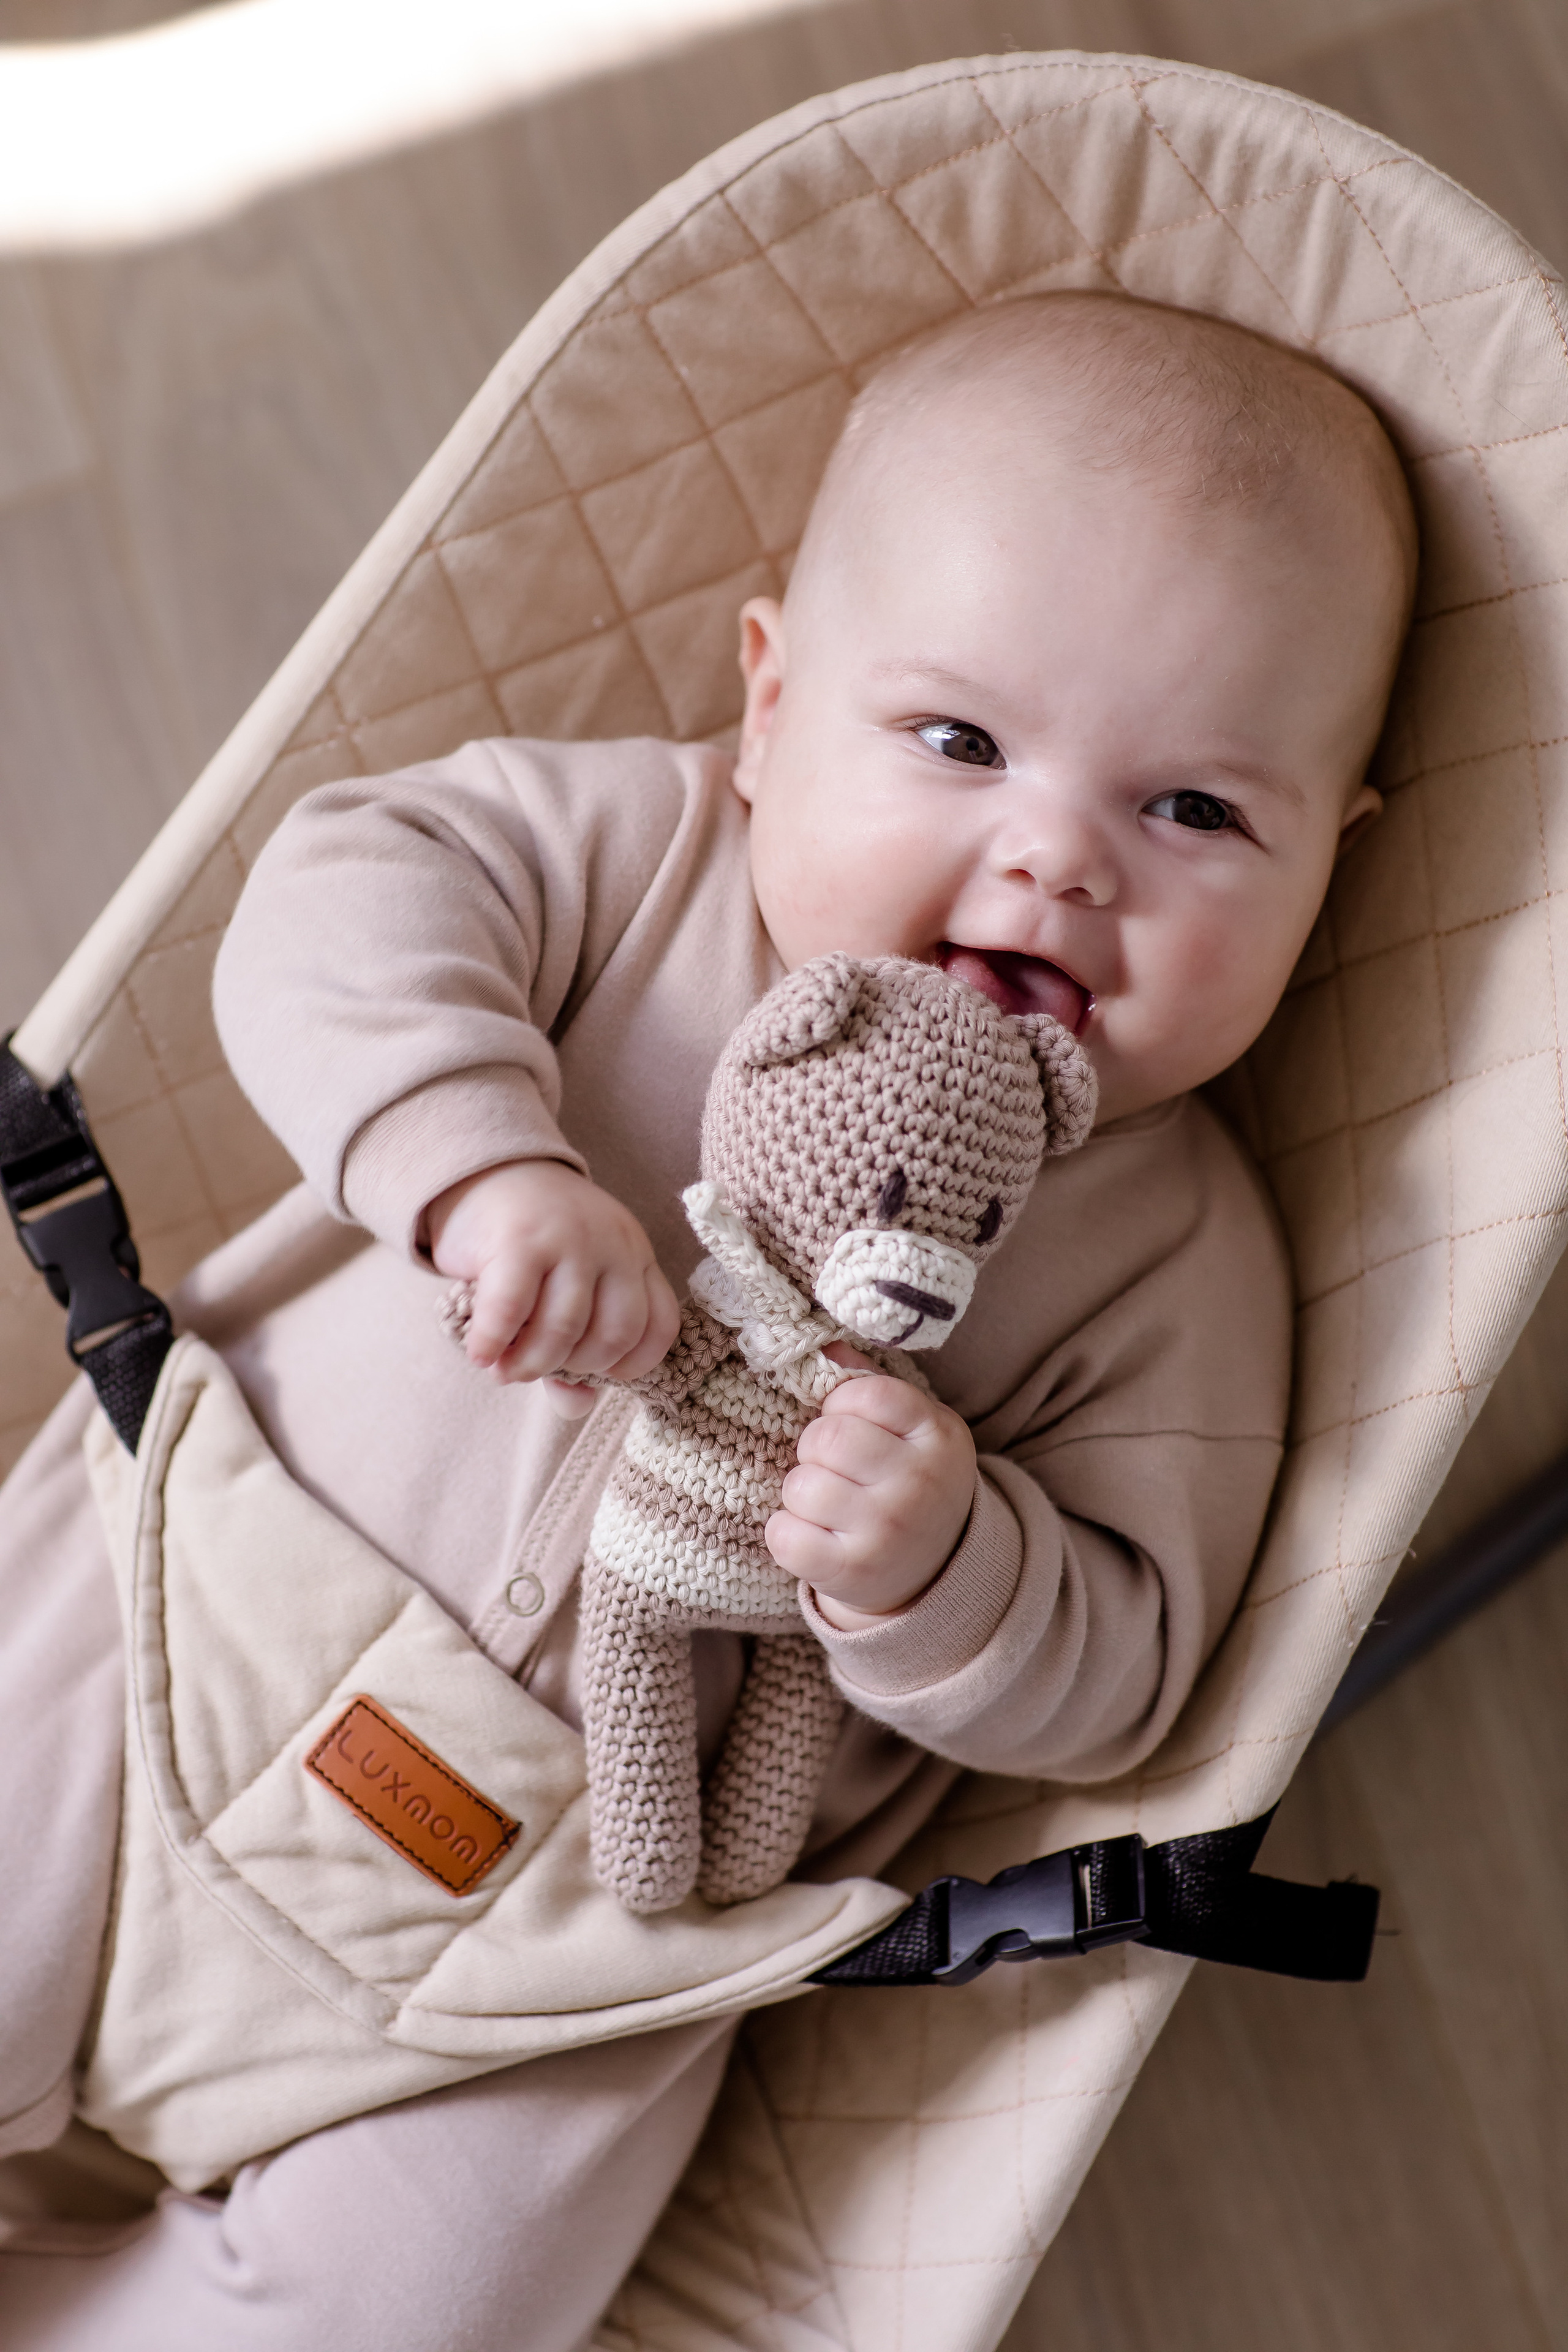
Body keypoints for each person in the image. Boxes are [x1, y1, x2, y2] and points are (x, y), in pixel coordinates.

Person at [0, 290, 1417, 2350]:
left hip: (587, 1929)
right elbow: (329, 907)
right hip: (186, 1618)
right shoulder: (636, 856)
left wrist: (946, 1570)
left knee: (429, 2298)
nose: (1057, 858)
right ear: (770, 707)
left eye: (1195, 813)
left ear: (1334, 867)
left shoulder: (1182, 1257)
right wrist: (479, 1163)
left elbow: (1127, 1666)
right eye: (958, 743)